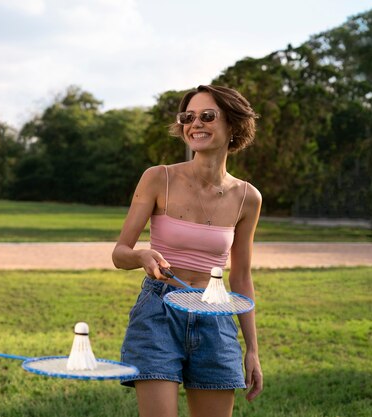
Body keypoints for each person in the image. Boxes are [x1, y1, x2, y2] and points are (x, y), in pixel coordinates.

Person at [112, 85, 264, 417]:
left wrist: (252, 349)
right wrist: (141, 256)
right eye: (188, 117)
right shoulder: (158, 178)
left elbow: (240, 276)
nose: (195, 124)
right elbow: (120, 253)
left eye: (208, 116)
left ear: (234, 126)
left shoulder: (248, 197)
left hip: (216, 315)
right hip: (158, 311)